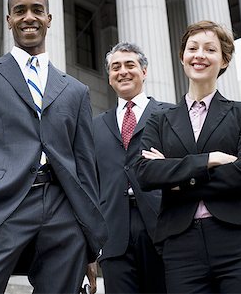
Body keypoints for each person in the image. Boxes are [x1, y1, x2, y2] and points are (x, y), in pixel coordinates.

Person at [0, 0, 107, 294]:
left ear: (49, 19)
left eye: (36, 10)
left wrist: (89, 240)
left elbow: (85, 165)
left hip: (64, 212)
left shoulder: (75, 90)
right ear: (9, 19)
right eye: (20, 11)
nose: (28, 17)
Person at [135, 20, 241, 293]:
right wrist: (210, 159)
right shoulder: (159, 121)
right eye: (192, 48)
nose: (199, 55)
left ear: (224, 60)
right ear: (183, 57)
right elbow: (146, 175)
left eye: (210, 49)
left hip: (238, 240)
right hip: (181, 245)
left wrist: (176, 177)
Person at [93, 42, 168, 293]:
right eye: (115, 67)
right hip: (113, 237)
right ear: (109, 77)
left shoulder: (170, 115)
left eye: (129, 65)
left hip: (163, 230)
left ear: (144, 72)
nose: (122, 71)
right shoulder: (95, 127)